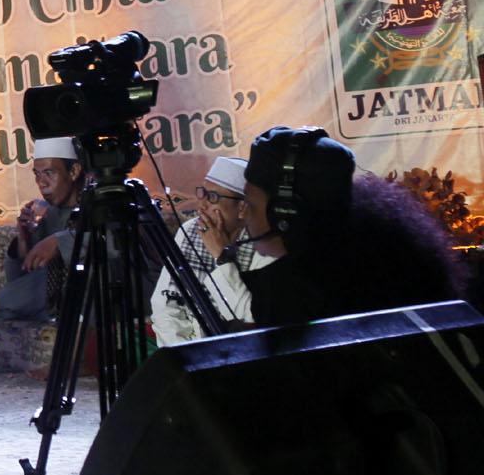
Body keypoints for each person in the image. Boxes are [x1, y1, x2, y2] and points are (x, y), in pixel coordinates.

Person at [239, 127, 464, 327]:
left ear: (284, 212)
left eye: (250, 204)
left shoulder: (289, 296)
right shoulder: (394, 257)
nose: (244, 215)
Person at [149, 156, 270, 346]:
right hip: (190, 350)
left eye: (213, 197)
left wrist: (221, 257)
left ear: (242, 208)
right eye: (203, 193)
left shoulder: (266, 247)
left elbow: (248, 317)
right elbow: (166, 306)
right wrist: (184, 353)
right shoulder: (190, 230)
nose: (202, 204)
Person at [0, 136, 83, 321]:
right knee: (8, 302)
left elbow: (116, 242)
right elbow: (18, 281)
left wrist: (59, 242)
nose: (41, 183)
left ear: (74, 171)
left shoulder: (101, 203)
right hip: (58, 303)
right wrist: (24, 239)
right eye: (37, 174)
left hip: (101, 294)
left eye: (49, 173)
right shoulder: (48, 214)